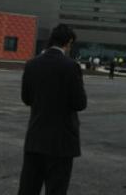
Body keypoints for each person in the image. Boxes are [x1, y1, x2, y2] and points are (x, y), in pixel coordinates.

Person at [19, 24, 87, 195]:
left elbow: (26, 99)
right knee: (56, 189)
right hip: (61, 142)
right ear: (68, 42)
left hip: (35, 138)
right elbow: (80, 103)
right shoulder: (71, 66)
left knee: (28, 188)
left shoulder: (31, 64)